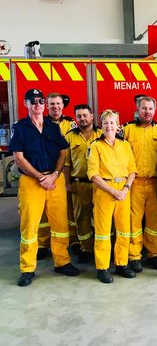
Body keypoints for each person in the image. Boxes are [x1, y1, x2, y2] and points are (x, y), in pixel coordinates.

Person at [9, 89, 79, 286]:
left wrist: (55, 175)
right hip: (31, 182)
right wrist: (41, 177)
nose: (38, 104)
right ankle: (27, 268)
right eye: (34, 101)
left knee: (60, 225)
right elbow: (19, 158)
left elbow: (63, 152)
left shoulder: (51, 126)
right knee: (30, 226)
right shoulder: (20, 127)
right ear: (26, 104)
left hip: (54, 180)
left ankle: (62, 261)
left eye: (41, 101)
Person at [87, 110, 137, 283]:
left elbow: (132, 169)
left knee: (124, 230)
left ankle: (122, 264)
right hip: (104, 191)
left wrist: (126, 188)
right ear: (101, 126)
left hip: (124, 191)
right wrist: (113, 191)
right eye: (106, 123)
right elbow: (93, 174)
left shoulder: (125, 145)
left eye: (112, 122)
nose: (109, 126)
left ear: (118, 126)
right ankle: (102, 268)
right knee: (102, 232)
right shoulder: (95, 147)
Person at [123, 95, 157, 272]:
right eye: (144, 108)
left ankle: (154, 253)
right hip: (133, 183)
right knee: (134, 222)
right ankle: (134, 256)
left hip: (155, 183)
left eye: (150, 108)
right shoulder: (127, 130)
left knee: (154, 221)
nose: (147, 111)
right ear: (137, 109)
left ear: (155, 110)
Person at [37, 92, 78, 260]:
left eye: (58, 104)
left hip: (65, 173)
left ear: (63, 106)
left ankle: (74, 241)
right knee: (44, 213)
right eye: (52, 104)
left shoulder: (71, 124)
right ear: (47, 105)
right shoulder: (40, 123)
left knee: (69, 210)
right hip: (46, 174)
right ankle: (43, 243)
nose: (55, 107)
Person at [63, 104, 102, 264]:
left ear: (92, 116)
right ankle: (86, 248)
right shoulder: (70, 137)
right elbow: (66, 163)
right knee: (82, 218)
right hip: (79, 184)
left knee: (102, 218)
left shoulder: (102, 133)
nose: (82, 118)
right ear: (75, 118)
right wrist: (67, 183)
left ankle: (103, 248)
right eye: (79, 116)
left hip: (100, 185)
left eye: (85, 115)